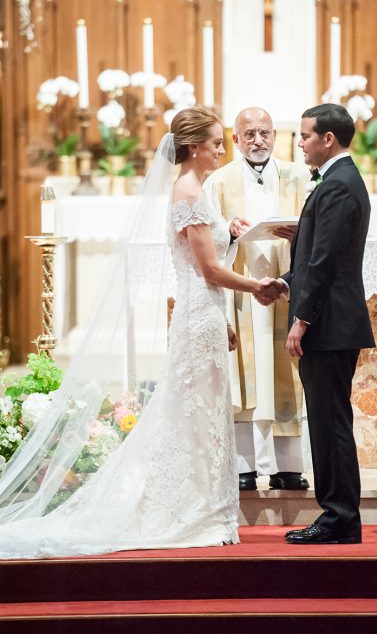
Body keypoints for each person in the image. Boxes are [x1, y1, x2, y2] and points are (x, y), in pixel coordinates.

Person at [0, 108, 269, 558]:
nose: (223, 151)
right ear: (193, 147)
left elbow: (201, 270)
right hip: (197, 318)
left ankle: (204, 506)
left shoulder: (195, 191)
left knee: (199, 415)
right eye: (216, 143)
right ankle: (191, 509)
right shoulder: (189, 194)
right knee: (193, 415)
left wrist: (223, 307)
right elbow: (208, 269)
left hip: (204, 315)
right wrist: (258, 286)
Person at [258, 103, 375, 545]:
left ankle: (339, 517)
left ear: (328, 138)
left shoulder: (339, 185)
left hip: (329, 325)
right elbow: (320, 252)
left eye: (305, 135)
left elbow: (326, 263)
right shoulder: (337, 180)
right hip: (331, 323)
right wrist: (288, 281)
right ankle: (338, 516)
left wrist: (301, 320)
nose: (300, 144)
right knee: (327, 422)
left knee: (331, 424)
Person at [204, 107, 309, 492]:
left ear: (276, 137)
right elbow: (207, 239)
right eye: (249, 134)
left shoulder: (300, 177)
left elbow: (318, 229)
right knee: (244, 377)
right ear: (235, 140)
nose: (258, 140)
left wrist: (301, 234)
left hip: (287, 287)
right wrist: (229, 232)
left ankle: (288, 466)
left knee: (285, 375)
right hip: (242, 291)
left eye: (265, 133)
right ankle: (244, 466)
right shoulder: (218, 182)